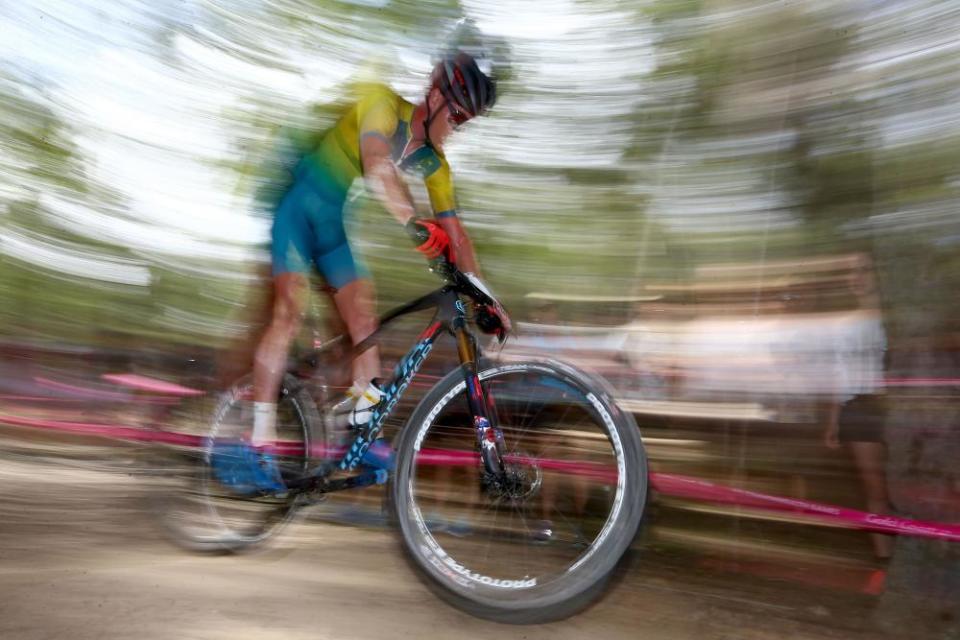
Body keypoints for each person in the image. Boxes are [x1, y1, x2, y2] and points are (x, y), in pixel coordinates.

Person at [222, 52, 511, 494]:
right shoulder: (381, 102)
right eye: (455, 113)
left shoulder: (434, 164)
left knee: (364, 315)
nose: (457, 125)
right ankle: (255, 443)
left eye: (466, 120)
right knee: (288, 311)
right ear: (433, 96)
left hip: (331, 223)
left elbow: (457, 234)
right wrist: (413, 223)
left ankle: (360, 430)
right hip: (296, 209)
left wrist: (486, 297)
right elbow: (376, 161)